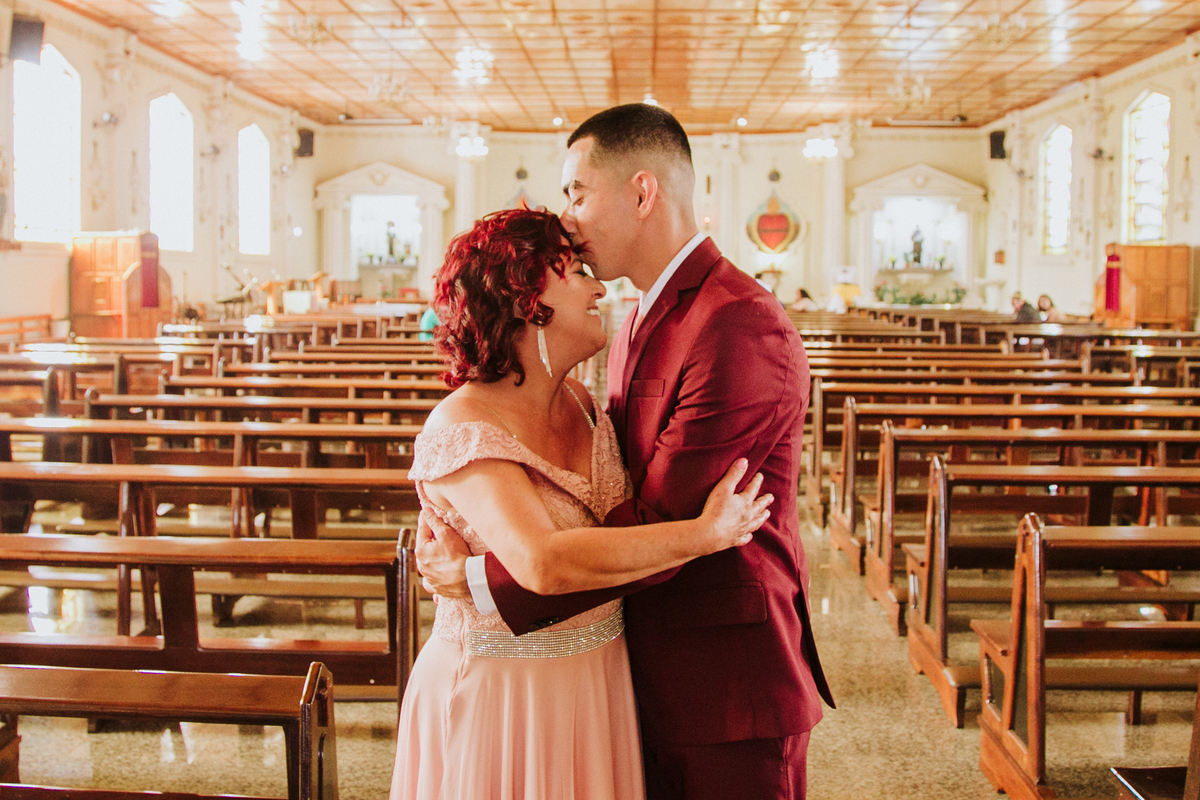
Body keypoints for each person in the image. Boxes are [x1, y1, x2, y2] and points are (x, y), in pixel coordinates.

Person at [417, 103, 833, 799]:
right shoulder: (635, 318)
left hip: (724, 684)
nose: (568, 216)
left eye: (577, 192)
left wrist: (483, 580)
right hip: (627, 666)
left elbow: (664, 516)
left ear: (643, 192)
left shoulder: (737, 323)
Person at [390, 208, 772, 800]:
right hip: (505, 697)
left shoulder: (582, 402)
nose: (600, 289)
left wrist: (471, 575)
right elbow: (543, 561)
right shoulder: (462, 426)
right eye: (574, 272)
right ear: (523, 298)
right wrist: (706, 533)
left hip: (598, 681)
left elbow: (619, 527)